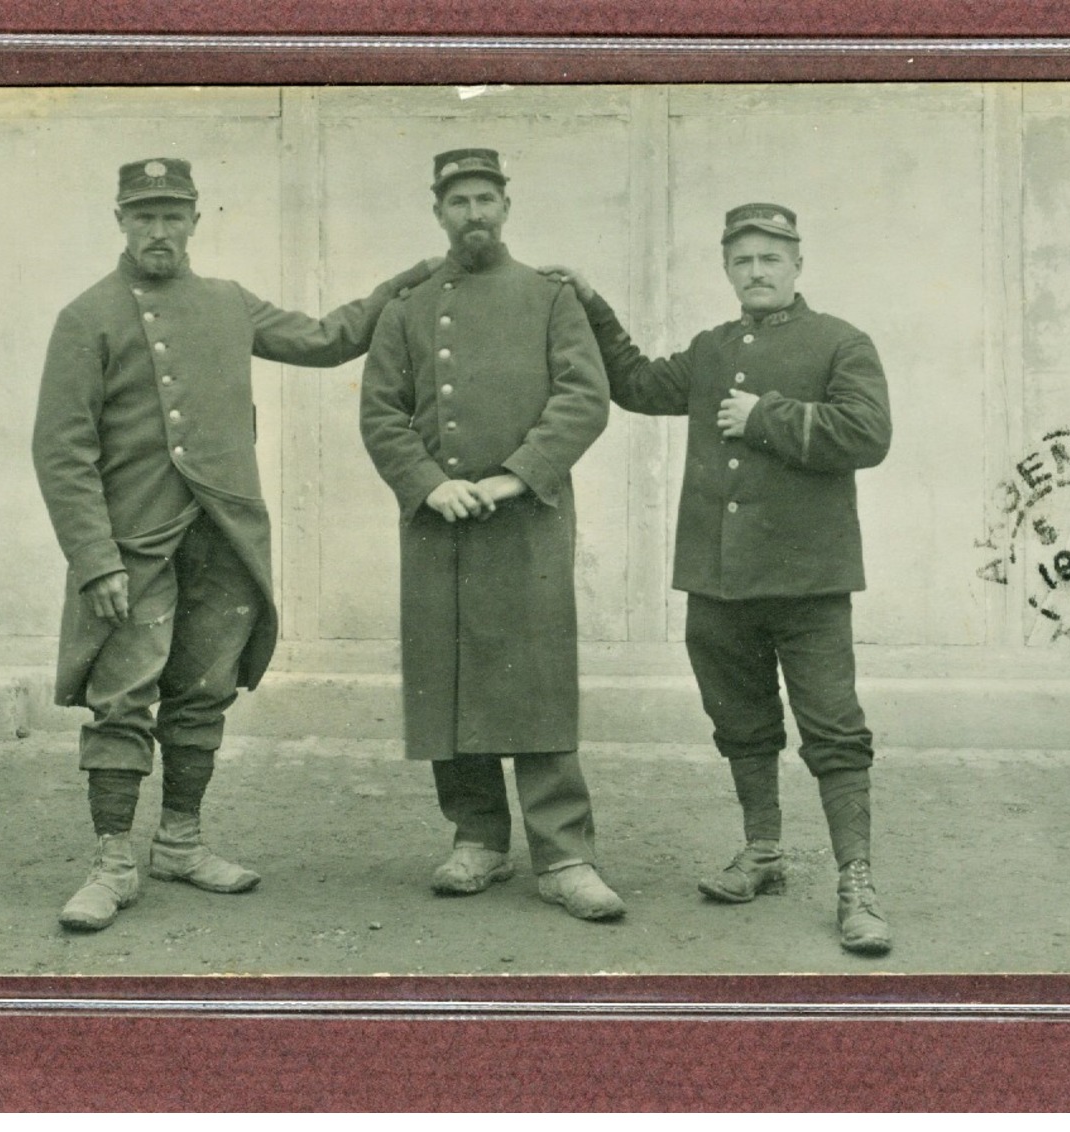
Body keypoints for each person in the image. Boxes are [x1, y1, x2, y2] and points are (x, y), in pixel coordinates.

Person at [33, 157, 436, 931]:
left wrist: (407, 281)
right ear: (120, 220)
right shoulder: (87, 316)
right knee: (123, 697)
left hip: (223, 538)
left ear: (194, 221)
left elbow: (325, 339)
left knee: (203, 690)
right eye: (144, 215)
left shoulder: (227, 303)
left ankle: (180, 840)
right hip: (135, 544)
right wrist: (95, 560)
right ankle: (114, 860)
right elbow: (61, 451)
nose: (159, 230)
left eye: (172, 214)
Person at [544, 203, 894, 954]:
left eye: (772, 257)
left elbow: (870, 435)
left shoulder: (840, 341)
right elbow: (636, 383)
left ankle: (856, 882)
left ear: (798, 263)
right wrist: (590, 302)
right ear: (727, 270)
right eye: (743, 260)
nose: (758, 271)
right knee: (741, 722)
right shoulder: (712, 348)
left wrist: (766, 415)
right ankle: (762, 853)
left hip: (808, 583)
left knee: (833, 730)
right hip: (720, 581)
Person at [358, 148, 624, 922]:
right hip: (438, 522)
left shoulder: (549, 298)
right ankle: (476, 837)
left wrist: (511, 477)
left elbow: (585, 397)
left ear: (507, 205)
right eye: (458, 201)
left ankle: (565, 852)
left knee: (536, 675)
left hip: (527, 519)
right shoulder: (409, 306)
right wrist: (429, 485)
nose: (473, 213)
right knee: (450, 678)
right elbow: (379, 410)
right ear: (437, 211)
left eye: (486, 198)